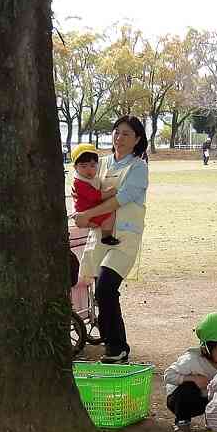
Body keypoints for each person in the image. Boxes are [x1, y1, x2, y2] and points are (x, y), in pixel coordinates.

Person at [75, 116, 149, 364]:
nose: (119, 138)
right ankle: (112, 346)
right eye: (117, 133)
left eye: (126, 134)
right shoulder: (102, 163)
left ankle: (118, 347)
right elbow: (83, 184)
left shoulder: (138, 167)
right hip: (100, 236)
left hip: (125, 237)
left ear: (137, 139)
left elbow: (121, 199)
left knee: (106, 287)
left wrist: (88, 214)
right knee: (100, 292)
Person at [164, 312, 217, 432]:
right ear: (206, 348)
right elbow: (168, 375)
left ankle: (213, 425)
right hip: (181, 401)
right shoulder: (191, 361)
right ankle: (182, 424)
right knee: (188, 389)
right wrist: (192, 379)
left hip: (206, 400)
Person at [68, 143, 119, 246]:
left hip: (89, 209)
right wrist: (110, 192)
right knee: (110, 214)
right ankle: (106, 236)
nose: (89, 170)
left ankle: (97, 228)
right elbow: (94, 195)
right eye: (83, 166)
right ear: (75, 167)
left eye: (92, 165)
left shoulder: (91, 179)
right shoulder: (79, 182)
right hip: (86, 211)